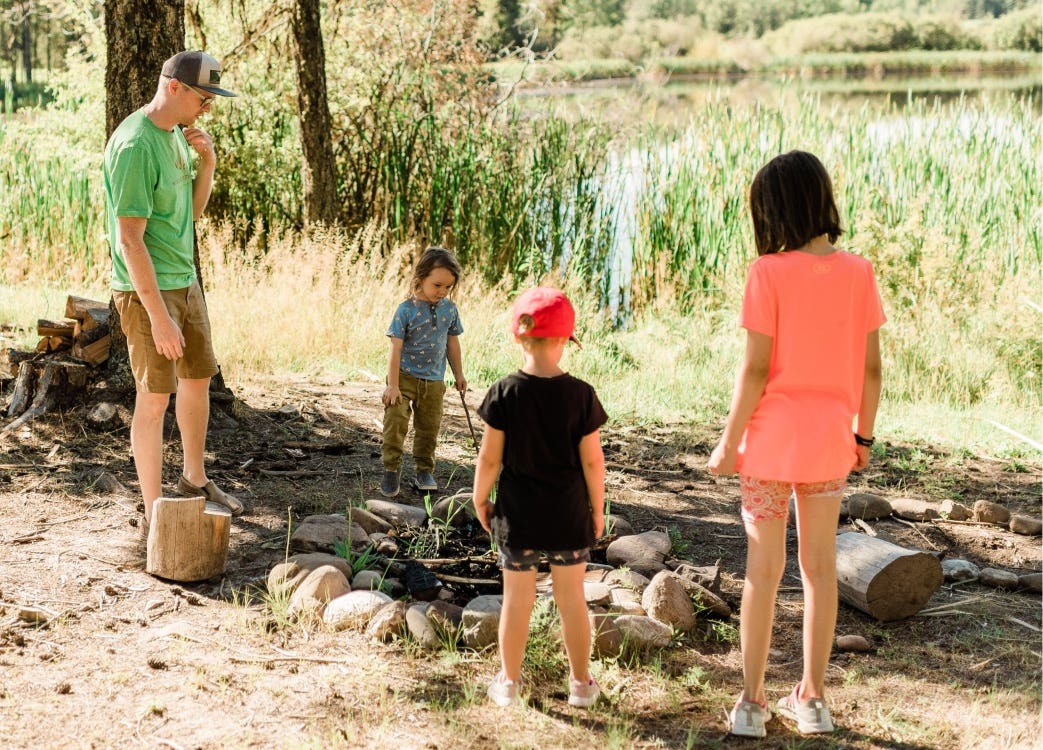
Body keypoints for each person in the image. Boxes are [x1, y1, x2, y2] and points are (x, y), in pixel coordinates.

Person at [707, 150, 885, 738]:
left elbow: (756, 370)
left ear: (774, 210)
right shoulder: (859, 271)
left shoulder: (767, 273)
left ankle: (752, 703)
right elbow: (872, 370)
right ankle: (813, 699)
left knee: (762, 572)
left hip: (770, 446)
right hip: (829, 443)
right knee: (819, 571)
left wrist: (729, 443)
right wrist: (863, 435)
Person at [104, 50, 242, 527]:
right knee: (154, 399)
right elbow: (129, 239)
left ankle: (194, 479)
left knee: (198, 379)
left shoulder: (179, 138)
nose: (210, 108)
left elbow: (193, 212)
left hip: (186, 281)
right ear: (175, 88)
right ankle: (153, 511)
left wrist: (208, 163)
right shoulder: (136, 145)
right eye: (205, 98)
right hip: (149, 294)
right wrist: (158, 316)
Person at [472, 287, 607, 708]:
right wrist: (597, 511)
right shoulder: (581, 395)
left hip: (518, 518)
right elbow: (593, 465)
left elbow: (490, 459)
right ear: (567, 340)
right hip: (568, 517)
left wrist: (480, 499)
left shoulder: (504, 393)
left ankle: (508, 683)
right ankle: (582, 684)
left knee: (517, 601)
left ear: (518, 336)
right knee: (572, 600)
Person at [380, 247, 467, 497]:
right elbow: (395, 348)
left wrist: (458, 373)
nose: (442, 292)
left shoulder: (449, 310)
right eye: (437, 285)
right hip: (403, 378)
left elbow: (452, 343)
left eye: (448, 287)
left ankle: (424, 470)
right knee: (395, 423)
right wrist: (392, 384)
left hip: (434, 381)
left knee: (429, 428)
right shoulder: (405, 310)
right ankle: (391, 468)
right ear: (420, 278)